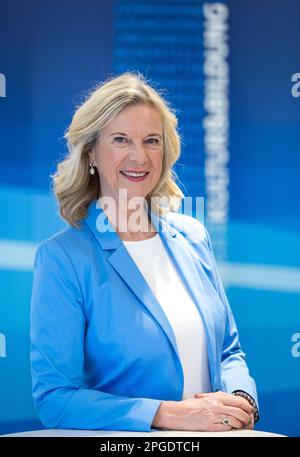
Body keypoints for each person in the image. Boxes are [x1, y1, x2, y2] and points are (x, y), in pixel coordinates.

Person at [30, 72, 259, 432]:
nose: (139, 156)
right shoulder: (64, 258)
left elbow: (229, 352)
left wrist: (241, 400)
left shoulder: (194, 237)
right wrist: (165, 414)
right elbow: (56, 398)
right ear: (91, 152)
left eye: (151, 140)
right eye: (121, 139)